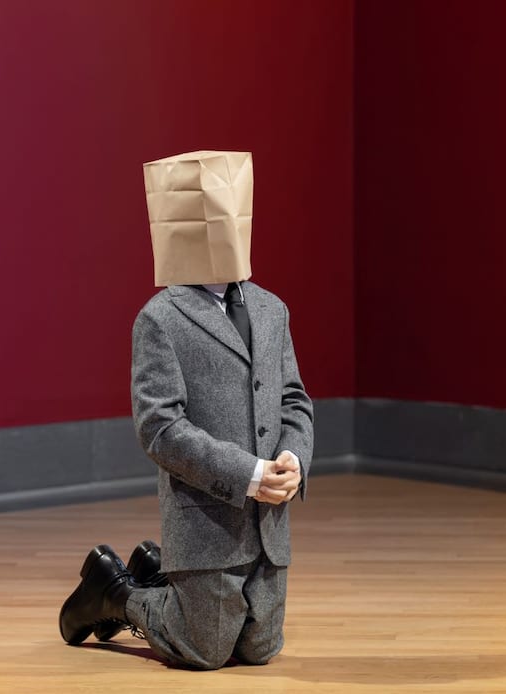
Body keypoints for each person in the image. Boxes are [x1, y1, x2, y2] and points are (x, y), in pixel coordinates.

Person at [58, 150, 314, 669]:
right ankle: (114, 591)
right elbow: (159, 428)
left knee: (261, 648)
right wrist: (249, 473)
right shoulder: (160, 319)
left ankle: (156, 572)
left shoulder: (272, 310)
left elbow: (294, 399)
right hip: (205, 524)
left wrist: (293, 458)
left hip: (269, 527)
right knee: (204, 650)